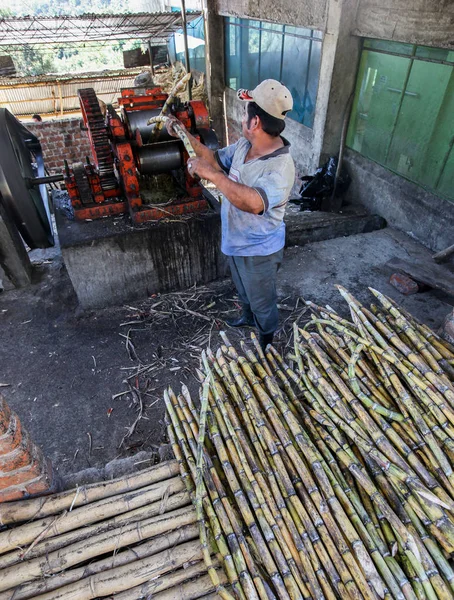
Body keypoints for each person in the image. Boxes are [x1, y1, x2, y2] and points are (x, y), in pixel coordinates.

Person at [166, 79, 295, 350]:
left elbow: (253, 203)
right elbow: (212, 159)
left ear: (256, 122)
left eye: (246, 111)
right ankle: (248, 317)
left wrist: (211, 175)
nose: (242, 115)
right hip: (236, 241)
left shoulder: (280, 167)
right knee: (244, 289)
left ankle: (267, 340)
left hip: (259, 250)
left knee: (262, 300)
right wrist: (181, 133)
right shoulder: (244, 147)